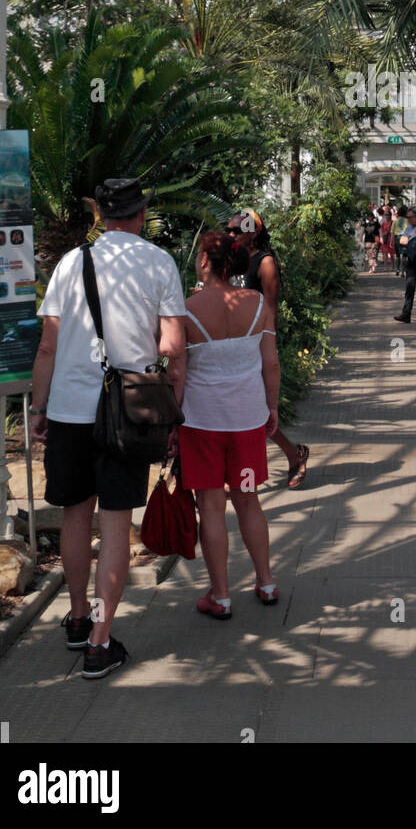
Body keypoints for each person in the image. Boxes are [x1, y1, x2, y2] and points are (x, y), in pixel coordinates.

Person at [30, 178, 187, 679]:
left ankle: (77, 619)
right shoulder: (159, 263)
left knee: (77, 516)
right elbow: (173, 349)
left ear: (100, 216)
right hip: (130, 413)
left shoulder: (70, 263)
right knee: (116, 523)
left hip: (70, 411)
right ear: (141, 213)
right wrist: (173, 415)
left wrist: (38, 408)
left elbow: (48, 346)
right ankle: (100, 640)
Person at [180, 230, 280, 617]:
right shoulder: (256, 304)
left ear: (205, 260)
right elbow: (270, 363)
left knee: (211, 504)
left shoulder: (186, 309)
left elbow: (177, 370)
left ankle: (220, 595)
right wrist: (272, 408)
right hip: (248, 418)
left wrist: (173, 420)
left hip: (201, 420)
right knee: (248, 500)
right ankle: (266, 581)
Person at [227, 211, 309, 489]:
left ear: (254, 232)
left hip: (255, 344)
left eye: (237, 231)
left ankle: (291, 455)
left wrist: (269, 351)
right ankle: (291, 454)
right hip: (230, 343)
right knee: (243, 410)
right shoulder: (229, 259)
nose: (231, 235)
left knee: (258, 411)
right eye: (228, 230)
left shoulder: (265, 262)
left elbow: (270, 308)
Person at [392, 204, 409, 277]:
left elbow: (392, 232)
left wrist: (391, 241)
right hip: (405, 238)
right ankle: (403, 271)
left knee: (398, 255)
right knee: (405, 255)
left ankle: (397, 269)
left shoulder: (395, 221)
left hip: (397, 238)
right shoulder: (407, 221)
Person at [361, 205, 380, 273]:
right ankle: (372, 267)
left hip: (373, 240)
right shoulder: (372, 224)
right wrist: (360, 239)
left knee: (372, 254)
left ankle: (372, 268)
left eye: (370, 216)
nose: (370, 218)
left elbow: (362, 232)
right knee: (370, 254)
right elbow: (362, 232)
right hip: (370, 241)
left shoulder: (375, 224)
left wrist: (360, 239)